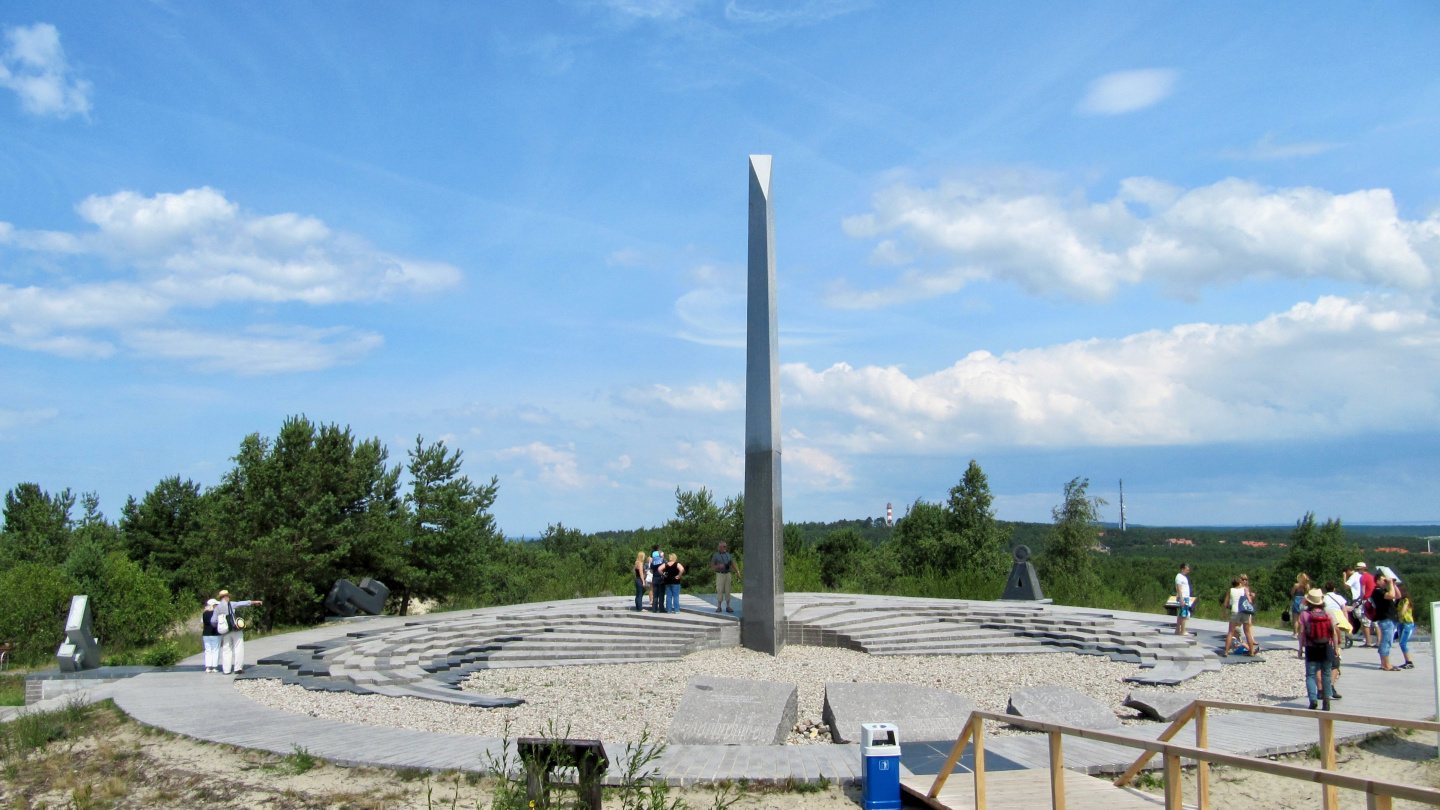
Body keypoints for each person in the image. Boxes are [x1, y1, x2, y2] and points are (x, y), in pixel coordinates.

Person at [1297, 588, 1339, 711]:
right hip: (1326, 647)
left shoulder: (1305, 615)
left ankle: (1313, 700)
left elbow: (1301, 632)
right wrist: (1336, 648)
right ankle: (1326, 699)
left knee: (1310, 675)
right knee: (1326, 674)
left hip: (1311, 647)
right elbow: (1334, 632)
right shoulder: (1327, 613)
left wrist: (1300, 648)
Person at [212, 590, 263, 675]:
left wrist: (219, 625)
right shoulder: (230, 604)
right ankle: (238, 668)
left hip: (225, 631)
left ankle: (226, 670)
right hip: (235, 629)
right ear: (225, 597)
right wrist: (254, 602)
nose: (228, 598)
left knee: (226, 650)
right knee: (238, 647)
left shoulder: (217, 608)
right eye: (228, 596)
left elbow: (213, 621)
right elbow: (242, 603)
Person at [1221, 574, 1258, 656]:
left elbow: (1225, 604)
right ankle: (1251, 651)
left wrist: (1224, 613)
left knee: (1230, 632)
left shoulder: (1230, 590)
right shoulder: (1245, 589)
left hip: (1235, 611)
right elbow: (1250, 601)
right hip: (1244, 611)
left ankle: (1226, 651)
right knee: (1247, 632)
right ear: (1239, 583)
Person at [1374, 572, 1402, 671]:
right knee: (1386, 642)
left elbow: (1398, 596)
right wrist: (1390, 584)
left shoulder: (1383, 590)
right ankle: (1386, 665)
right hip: (1386, 619)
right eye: (1383, 580)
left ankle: (1384, 664)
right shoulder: (1377, 591)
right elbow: (1391, 595)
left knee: (1386, 641)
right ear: (1377, 581)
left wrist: (1393, 584)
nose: (1385, 581)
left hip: (1389, 619)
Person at [1356, 562, 1377, 647]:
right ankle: (1379, 641)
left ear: (1363, 569)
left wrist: (1360, 600)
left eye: (1358, 569)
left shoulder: (1363, 578)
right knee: (1376, 622)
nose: (1357, 571)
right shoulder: (1372, 577)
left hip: (1367, 600)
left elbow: (1363, 591)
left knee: (1365, 622)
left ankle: (1368, 642)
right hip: (1374, 600)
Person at [1396, 581, 1416, 670]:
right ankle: (1407, 661)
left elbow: (1403, 612)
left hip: (1407, 623)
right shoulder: (1399, 601)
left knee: (1403, 643)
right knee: (1402, 643)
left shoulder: (1406, 601)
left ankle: (1410, 661)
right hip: (1401, 623)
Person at [711, 541, 735, 614]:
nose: (725, 548)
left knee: (728, 589)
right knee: (720, 589)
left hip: (727, 573)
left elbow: (732, 563)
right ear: (720, 547)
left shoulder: (728, 554)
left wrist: (737, 571)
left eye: (726, 546)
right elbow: (712, 566)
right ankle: (719, 606)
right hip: (720, 574)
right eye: (724, 546)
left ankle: (728, 606)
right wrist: (718, 566)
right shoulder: (716, 555)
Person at [201, 598, 221, 673]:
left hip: (206, 634)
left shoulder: (204, 613)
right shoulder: (216, 613)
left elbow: (203, 624)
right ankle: (214, 667)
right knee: (215, 650)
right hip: (215, 633)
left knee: (208, 650)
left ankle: (208, 667)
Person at [1174, 563, 1193, 636]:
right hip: (1183, 597)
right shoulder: (1179, 577)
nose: (1188, 571)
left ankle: (1178, 629)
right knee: (1184, 614)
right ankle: (1183, 630)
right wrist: (1181, 599)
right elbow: (1179, 589)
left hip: (1185, 597)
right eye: (1186, 569)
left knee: (1181, 614)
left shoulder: (1183, 577)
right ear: (1182, 569)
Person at [650, 549, 666, 613]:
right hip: (661, 578)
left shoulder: (653, 562)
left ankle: (654, 608)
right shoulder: (662, 561)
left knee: (655, 594)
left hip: (654, 578)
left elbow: (651, 570)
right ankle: (661, 608)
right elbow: (665, 567)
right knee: (661, 594)